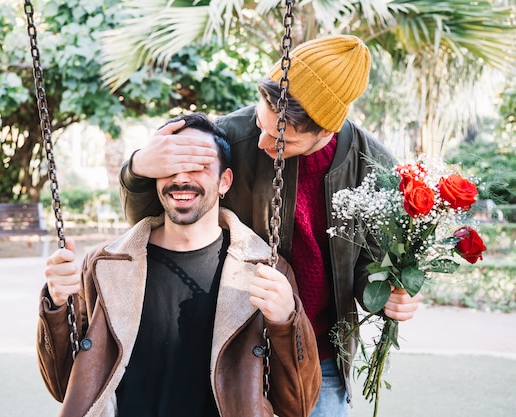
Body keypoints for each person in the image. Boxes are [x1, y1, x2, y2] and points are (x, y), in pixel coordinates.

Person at [118, 35, 423, 416]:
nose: (262, 141)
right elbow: (153, 218)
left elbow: (372, 267)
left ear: (326, 132)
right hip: (230, 344)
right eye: (261, 123)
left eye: (281, 141)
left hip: (314, 355)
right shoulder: (231, 134)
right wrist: (139, 169)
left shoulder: (371, 166)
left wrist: (389, 295)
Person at [37, 113, 322, 417]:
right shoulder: (105, 267)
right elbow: (64, 387)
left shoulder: (266, 270)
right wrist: (56, 305)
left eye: (198, 167)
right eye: (169, 166)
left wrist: (285, 322)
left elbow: (298, 405)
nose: (182, 178)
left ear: (224, 181)